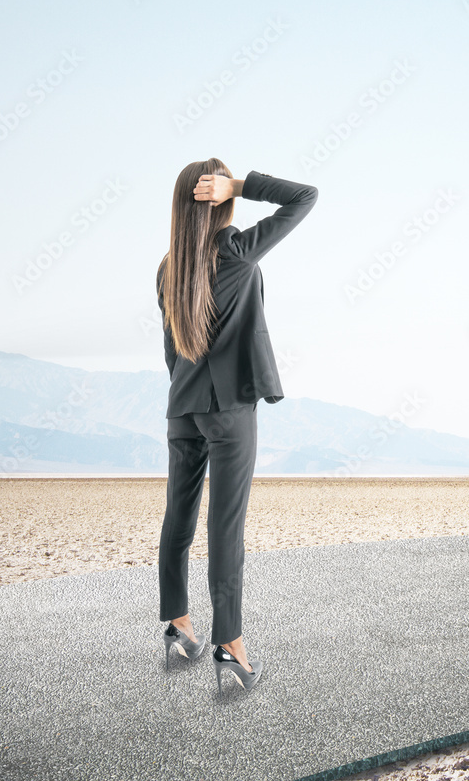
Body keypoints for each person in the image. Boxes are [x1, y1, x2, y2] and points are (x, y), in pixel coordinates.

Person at [155, 159, 318, 695]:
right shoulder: (237, 250)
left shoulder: (167, 266)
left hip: (183, 404)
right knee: (225, 527)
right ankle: (231, 647)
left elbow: (169, 350)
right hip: (228, 410)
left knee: (179, 516)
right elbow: (305, 196)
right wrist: (244, 186)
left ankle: (178, 627)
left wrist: (187, 392)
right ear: (218, 199)